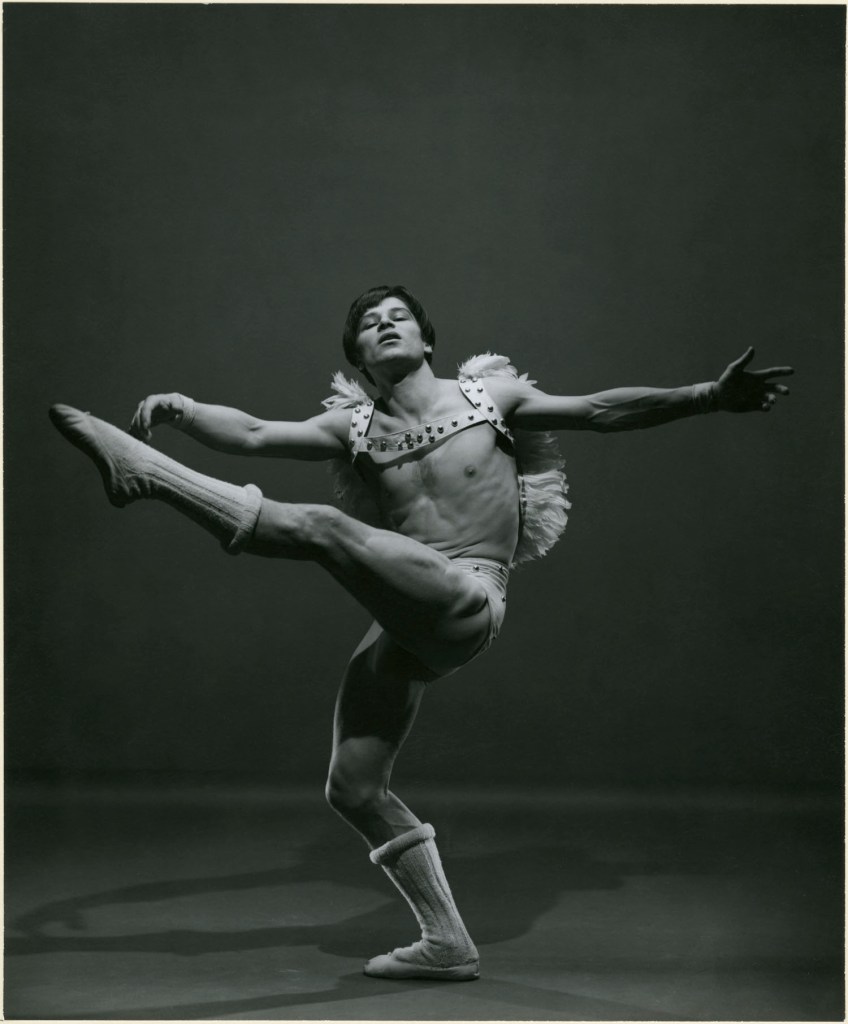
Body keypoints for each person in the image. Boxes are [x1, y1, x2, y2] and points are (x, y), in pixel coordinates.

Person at [49, 284, 793, 982]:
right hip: (407, 609)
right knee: (353, 786)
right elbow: (248, 432)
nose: (385, 323)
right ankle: (446, 943)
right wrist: (181, 406)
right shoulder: (356, 427)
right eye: (369, 323)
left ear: (426, 337)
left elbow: (599, 410)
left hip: (469, 595)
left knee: (321, 525)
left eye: (399, 314)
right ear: (359, 359)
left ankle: (145, 475)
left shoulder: (489, 395)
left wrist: (707, 396)